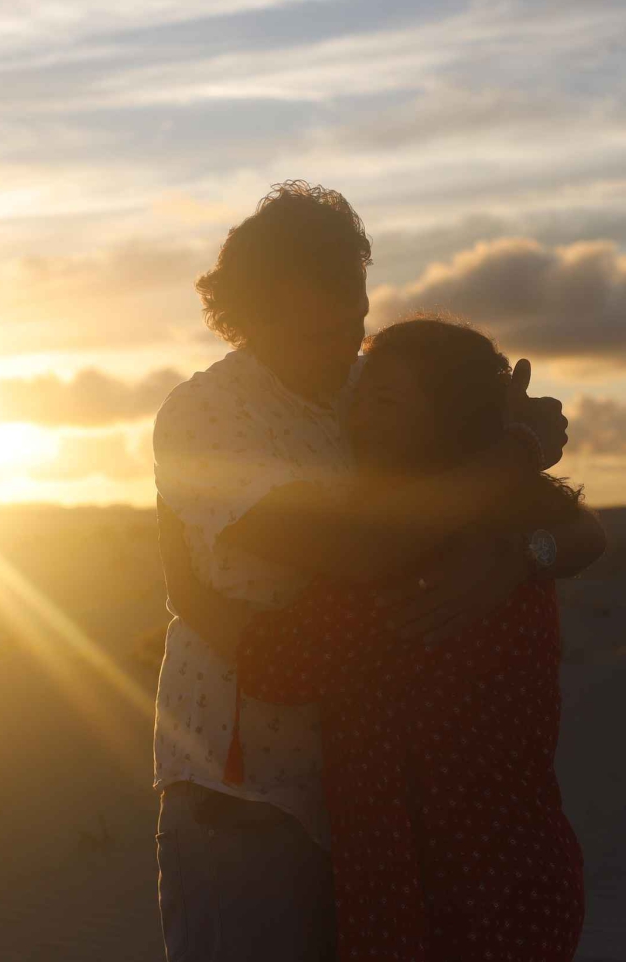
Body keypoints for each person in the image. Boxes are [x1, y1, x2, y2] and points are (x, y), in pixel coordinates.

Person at [151, 181, 587, 962]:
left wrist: (521, 553)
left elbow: (577, 527)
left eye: (353, 321)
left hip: (379, 804)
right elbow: (359, 555)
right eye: (317, 330)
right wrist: (514, 452)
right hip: (251, 792)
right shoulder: (205, 416)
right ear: (251, 312)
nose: (344, 349)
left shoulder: (372, 386)